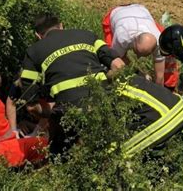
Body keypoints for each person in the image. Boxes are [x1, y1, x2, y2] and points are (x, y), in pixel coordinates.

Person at [19, 13, 124, 154]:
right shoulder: (87, 35)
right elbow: (119, 66)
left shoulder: (33, 52)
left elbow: (31, 105)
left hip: (69, 114)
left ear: (38, 35)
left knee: (60, 155)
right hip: (103, 103)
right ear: (61, 26)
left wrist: (50, 114)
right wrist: (104, 85)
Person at [102, 4, 179, 90]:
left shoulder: (159, 41)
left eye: (143, 55)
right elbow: (115, 62)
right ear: (134, 41)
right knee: (109, 59)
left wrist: (160, 94)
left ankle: (170, 87)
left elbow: (160, 76)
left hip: (141, 12)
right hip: (117, 14)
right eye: (137, 53)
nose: (138, 57)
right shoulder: (122, 37)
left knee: (169, 53)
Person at [115, 75, 183, 156]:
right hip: (180, 106)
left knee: (120, 153)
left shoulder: (111, 92)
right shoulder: (132, 77)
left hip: (166, 118)